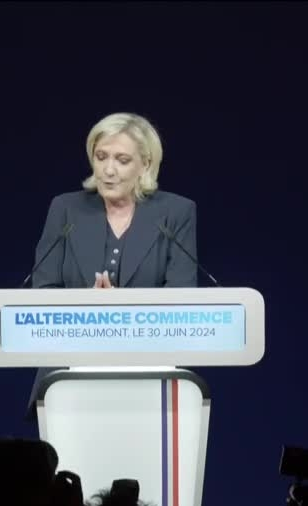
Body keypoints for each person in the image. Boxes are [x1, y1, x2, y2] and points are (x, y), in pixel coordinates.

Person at [26, 112, 200, 414]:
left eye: (122, 160)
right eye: (101, 156)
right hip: (68, 376)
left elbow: (181, 300)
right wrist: (88, 306)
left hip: (150, 377)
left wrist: (119, 309)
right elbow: (43, 290)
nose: (108, 170)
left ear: (145, 164)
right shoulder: (66, 209)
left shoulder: (176, 213)